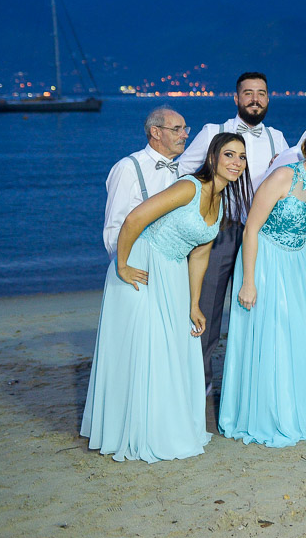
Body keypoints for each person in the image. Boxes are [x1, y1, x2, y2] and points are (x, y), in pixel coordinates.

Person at [81, 133, 250, 462]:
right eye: (229, 155)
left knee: (170, 348)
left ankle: (159, 425)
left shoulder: (221, 201)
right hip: (144, 264)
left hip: (173, 272)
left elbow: (200, 256)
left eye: (242, 157)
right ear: (212, 159)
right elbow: (135, 219)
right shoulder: (189, 186)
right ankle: (131, 430)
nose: (236, 162)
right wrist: (124, 264)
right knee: (143, 347)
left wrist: (194, 304)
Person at [218, 120, 306, 446]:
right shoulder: (283, 176)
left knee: (304, 338)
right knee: (272, 339)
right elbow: (251, 229)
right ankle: (271, 415)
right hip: (265, 261)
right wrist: (247, 281)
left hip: (298, 264)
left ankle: (300, 410)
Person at [177, 71, 288, 393]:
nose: (255, 98)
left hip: (262, 234)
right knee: (207, 307)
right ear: (236, 98)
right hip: (220, 232)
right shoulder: (215, 131)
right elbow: (186, 172)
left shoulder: (277, 138)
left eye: (261, 93)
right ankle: (199, 381)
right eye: (248, 93)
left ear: (268, 98)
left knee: (255, 308)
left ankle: (249, 384)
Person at [103, 107, 190, 257]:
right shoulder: (128, 168)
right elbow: (114, 227)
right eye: (177, 129)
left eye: (185, 128)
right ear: (155, 132)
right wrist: (122, 266)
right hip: (138, 263)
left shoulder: (181, 171)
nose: (185, 135)